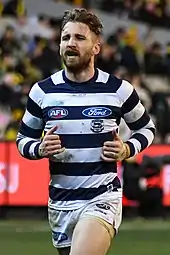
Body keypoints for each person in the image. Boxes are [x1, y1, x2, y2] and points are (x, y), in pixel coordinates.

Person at [16, 8, 155, 255]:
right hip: (60, 203)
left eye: (80, 38)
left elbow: (146, 128)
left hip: (102, 197)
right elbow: (22, 140)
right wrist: (39, 148)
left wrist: (127, 148)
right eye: (65, 37)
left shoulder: (118, 90)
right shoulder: (42, 92)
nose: (71, 43)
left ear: (95, 48)